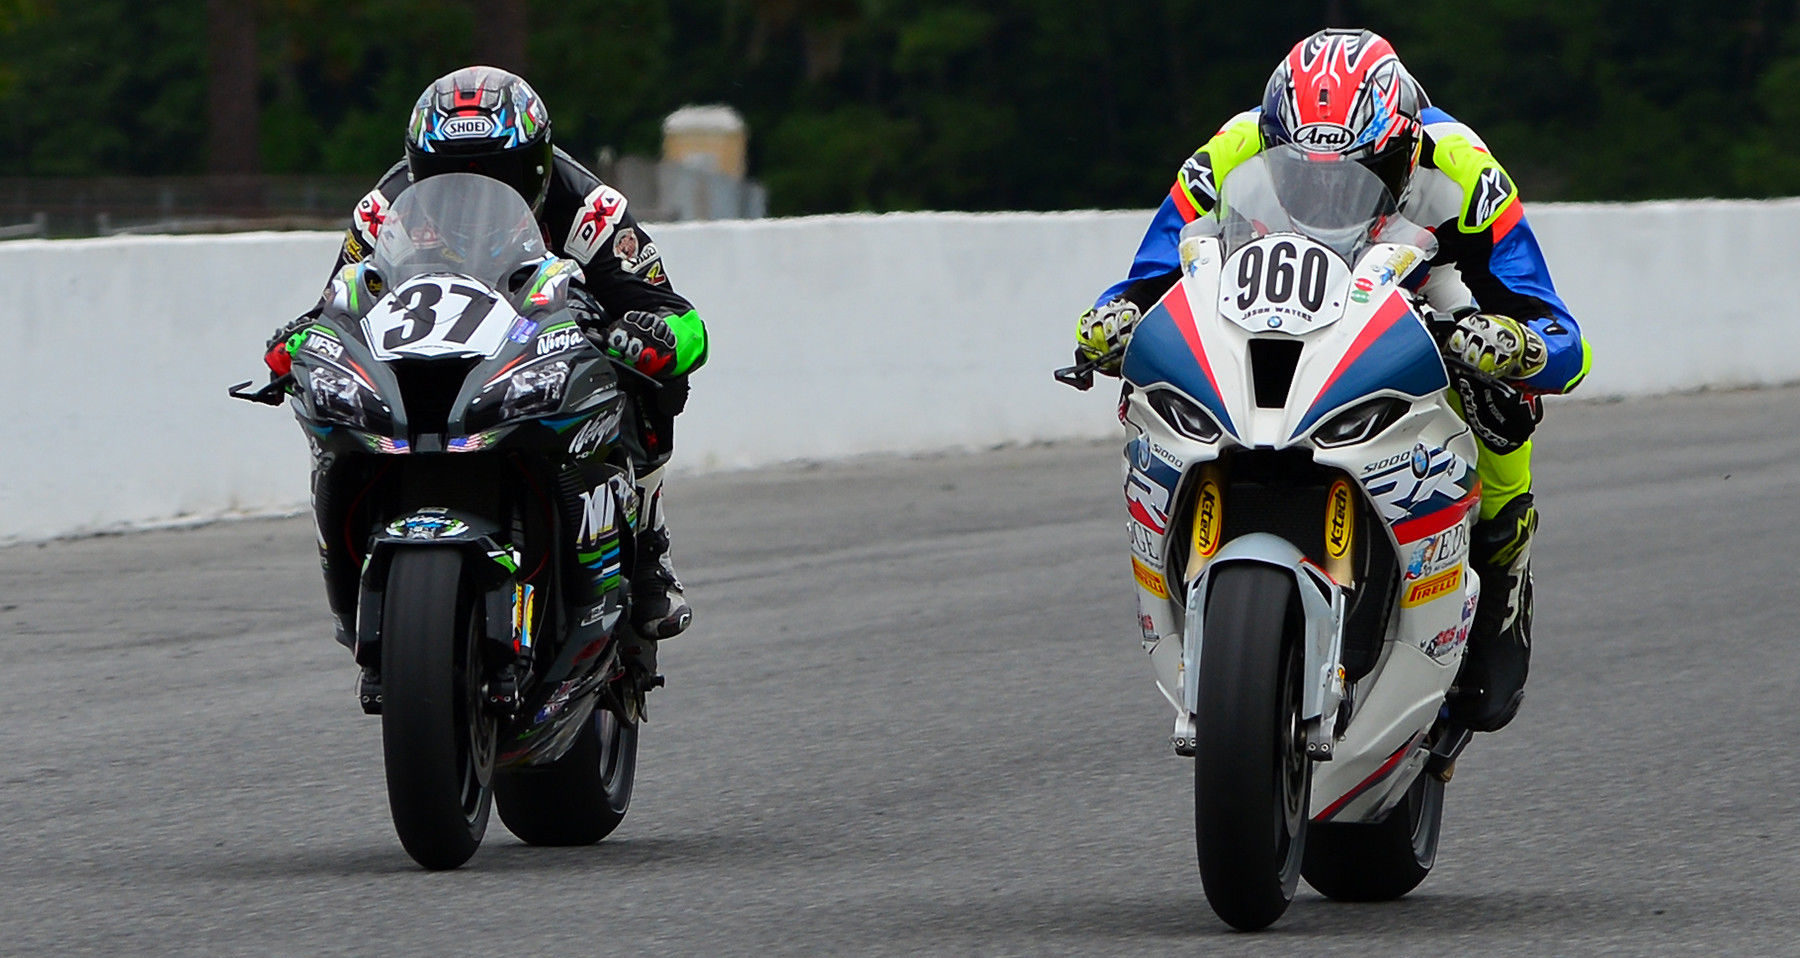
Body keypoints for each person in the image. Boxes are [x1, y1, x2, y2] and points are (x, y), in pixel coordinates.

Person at [1074, 29, 1592, 733]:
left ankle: (1504, 560)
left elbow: (1561, 334)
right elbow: (1151, 276)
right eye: (1304, 171)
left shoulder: (1466, 171)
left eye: (1358, 169)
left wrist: (1512, 344)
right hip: (1273, 301)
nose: (1327, 188)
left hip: (1423, 287)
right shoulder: (1228, 153)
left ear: (1403, 147)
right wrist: (1116, 319)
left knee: (1504, 402)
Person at [264, 66, 706, 700]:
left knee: (655, 378)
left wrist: (655, 334)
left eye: (494, 178)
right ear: (418, 170)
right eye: (447, 181)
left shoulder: (592, 211)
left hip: (542, 352)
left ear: (536, 170)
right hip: (435, 365)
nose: (470, 199)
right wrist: (301, 338)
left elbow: (680, 316)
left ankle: (648, 545)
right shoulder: (382, 209)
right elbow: (342, 300)